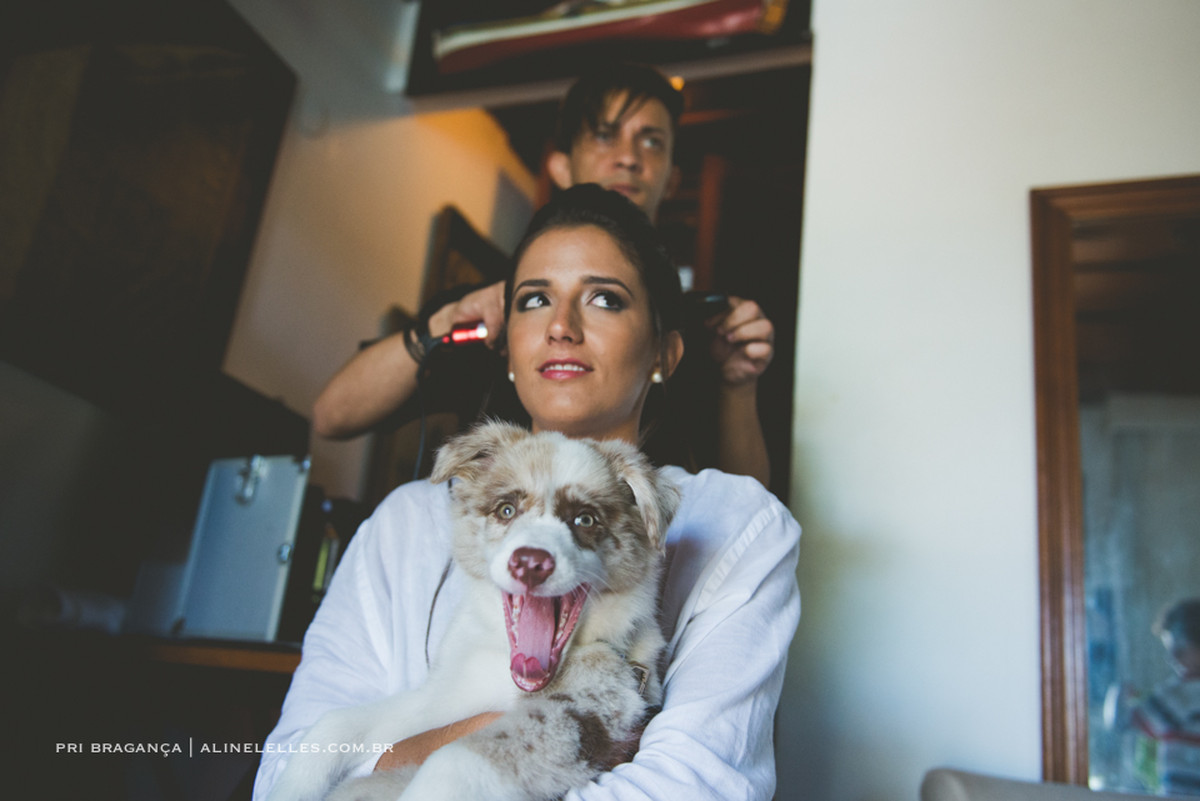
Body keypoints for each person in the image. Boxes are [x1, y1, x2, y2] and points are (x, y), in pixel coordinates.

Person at [254, 185, 801, 800]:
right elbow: (286, 769)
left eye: (604, 299)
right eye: (535, 299)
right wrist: (476, 741)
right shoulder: (405, 523)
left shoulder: (735, 522)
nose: (561, 327)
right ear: (508, 346)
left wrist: (436, 766)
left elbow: (693, 788)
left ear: (663, 354)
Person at [312, 63, 775, 486]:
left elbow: (740, 509)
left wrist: (738, 386)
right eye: (604, 135)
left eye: (651, 140)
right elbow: (332, 416)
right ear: (560, 165)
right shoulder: (488, 309)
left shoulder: (702, 330)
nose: (629, 157)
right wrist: (441, 324)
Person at [1132, 598, 1200, 796]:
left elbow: (1138, 719)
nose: (1172, 659)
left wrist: (1125, 697)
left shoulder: (1180, 693)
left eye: (1178, 650)